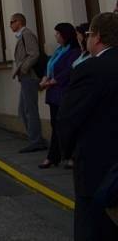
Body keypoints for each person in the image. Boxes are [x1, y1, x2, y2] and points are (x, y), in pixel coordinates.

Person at [58, 12, 118, 241]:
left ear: (98, 37)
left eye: (89, 35)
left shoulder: (90, 69)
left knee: (94, 228)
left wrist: (69, 152)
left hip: (97, 167)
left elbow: (68, 118)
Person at [38, 23, 80, 169]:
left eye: (57, 33)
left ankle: (68, 156)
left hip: (63, 92)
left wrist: (52, 81)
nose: (55, 36)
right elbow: (49, 66)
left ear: (64, 35)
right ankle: (54, 156)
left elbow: (69, 70)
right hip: (53, 94)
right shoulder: (58, 51)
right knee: (55, 125)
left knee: (64, 125)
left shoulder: (74, 51)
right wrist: (45, 78)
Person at [10, 13, 47, 153]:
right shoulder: (22, 36)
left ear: (19, 22)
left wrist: (24, 69)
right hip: (25, 77)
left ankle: (36, 140)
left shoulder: (26, 34)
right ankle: (35, 138)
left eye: (12, 22)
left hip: (29, 76)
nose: (10, 25)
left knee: (29, 110)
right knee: (23, 110)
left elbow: (34, 53)